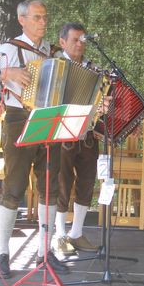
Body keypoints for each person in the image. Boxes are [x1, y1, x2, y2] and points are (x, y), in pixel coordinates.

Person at [0, 0, 69, 278]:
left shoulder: (54, 53)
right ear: (22, 20)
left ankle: (44, 252)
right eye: (37, 17)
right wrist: (8, 72)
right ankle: (2, 254)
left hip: (50, 119)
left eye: (45, 17)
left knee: (49, 186)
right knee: (14, 186)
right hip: (18, 119)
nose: (43, 22)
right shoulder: (8, 49)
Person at [54, 22, 100, 254]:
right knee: (62, 183)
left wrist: (103, 107)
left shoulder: (94, 69)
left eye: (83, 40)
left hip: (87, 133)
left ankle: (77, 232)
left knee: (87, 181)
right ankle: (60, 234)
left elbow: (101, 100)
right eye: (75, 40)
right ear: (62, 42)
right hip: (61, 132)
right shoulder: (54, 66)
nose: (80, 44)